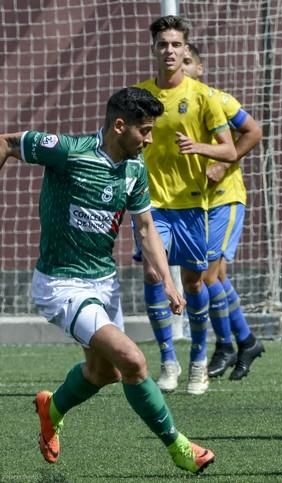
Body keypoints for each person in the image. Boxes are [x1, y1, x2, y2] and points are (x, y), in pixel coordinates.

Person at [0, 87, 215, 474]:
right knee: (133, 360)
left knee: (104, 373)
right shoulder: (68, 151)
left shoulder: (134, 169)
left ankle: (52, 408)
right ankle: (179, 447)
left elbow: (146, 227)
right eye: (144, 131)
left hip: (104, 284)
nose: (149, 139)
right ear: (120, 125)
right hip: (61, 285)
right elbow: (8, 143)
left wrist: (168, 281)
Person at [134, 16, 237, 395]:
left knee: (194, 281)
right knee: (153, 275)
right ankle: (167, 359)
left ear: (185, 49)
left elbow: (228, 148)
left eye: (176, 44)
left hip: (193, 206)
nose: (170, 51)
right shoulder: (139, 95)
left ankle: (198, 358)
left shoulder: (203, 96)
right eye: (163, 44)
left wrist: (200, 148)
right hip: (152, 204)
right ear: (154, 49)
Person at [181, 44, 265, 380]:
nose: (183, 67)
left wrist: (223, 163)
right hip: (192, 202)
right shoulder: (168, 104)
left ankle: (229, 344)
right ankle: (245, 341)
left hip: (224, 198)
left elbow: (253, 131)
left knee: (206, 277)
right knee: (216, 278)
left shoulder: (218, 99)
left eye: (189, 61)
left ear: (199, 69)